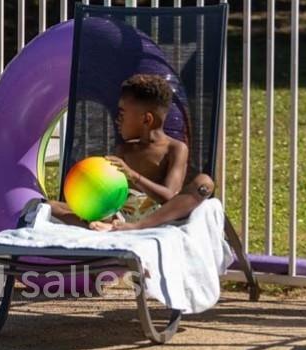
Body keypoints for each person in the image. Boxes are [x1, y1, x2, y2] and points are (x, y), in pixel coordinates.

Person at [48, 73, 215, 232]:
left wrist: (133, 176)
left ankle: (135, 228)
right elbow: (112, 194)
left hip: (159, 217)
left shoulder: (175, 149)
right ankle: (104, 226)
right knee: (50, 206)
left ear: (146, 119)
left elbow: (169, 196)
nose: (117, 119)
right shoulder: (124, 150)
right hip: (120, 216)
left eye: (122, 113)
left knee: (204, 183)